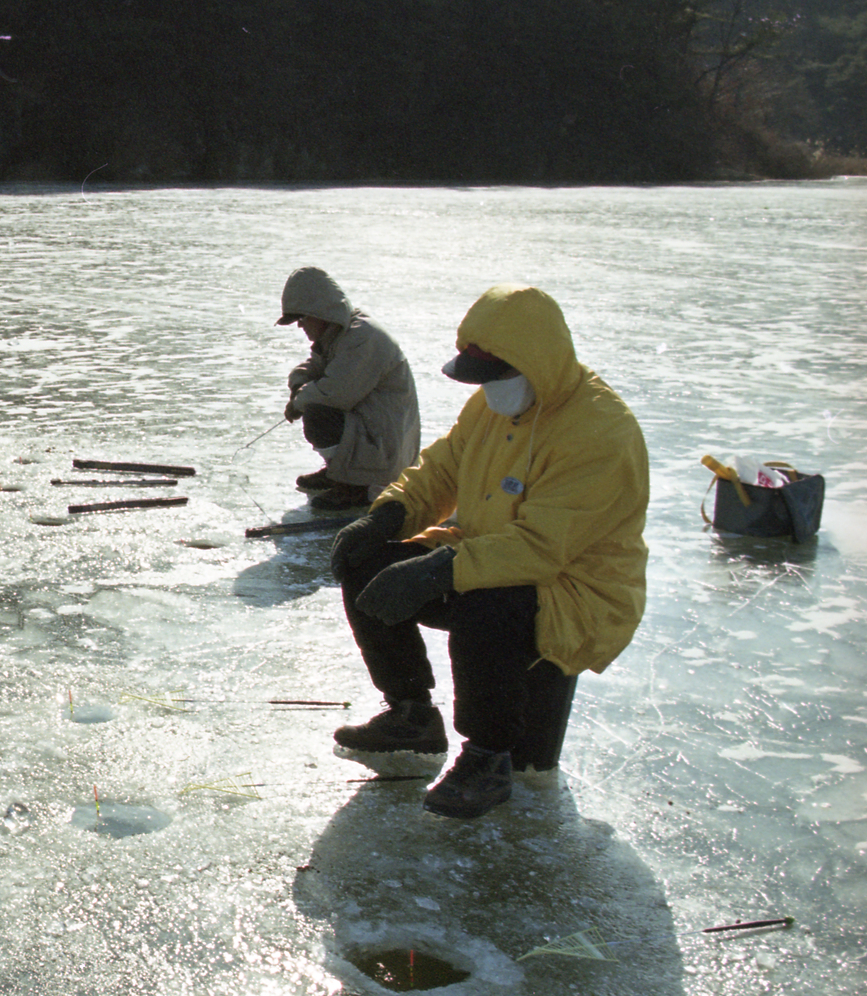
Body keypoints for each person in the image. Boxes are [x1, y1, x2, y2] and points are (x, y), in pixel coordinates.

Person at [327, 283, 649, 819]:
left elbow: (541, 549)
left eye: (495, 376)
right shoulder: (498, 404)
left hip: (576, 587)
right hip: (488, 551)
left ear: (532, 363)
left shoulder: (599, 432)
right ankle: (410, 714)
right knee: (369, 563)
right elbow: (443, 468)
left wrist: (438, 569)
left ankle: (488, 755)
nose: (486, 390)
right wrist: (387, 516)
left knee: (487, 601)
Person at [276, 267, 421, 510]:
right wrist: (297, 383)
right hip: (371, 437)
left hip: (385, 449)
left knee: (318, 413)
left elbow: (334, 394)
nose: (300, 327)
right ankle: (340, 472)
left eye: (302, 319)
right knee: (314, 406)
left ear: (321, 313)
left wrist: (298, 402)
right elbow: (314, 365)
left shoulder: (363, 338)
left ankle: (358, 486)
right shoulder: (338, 335)